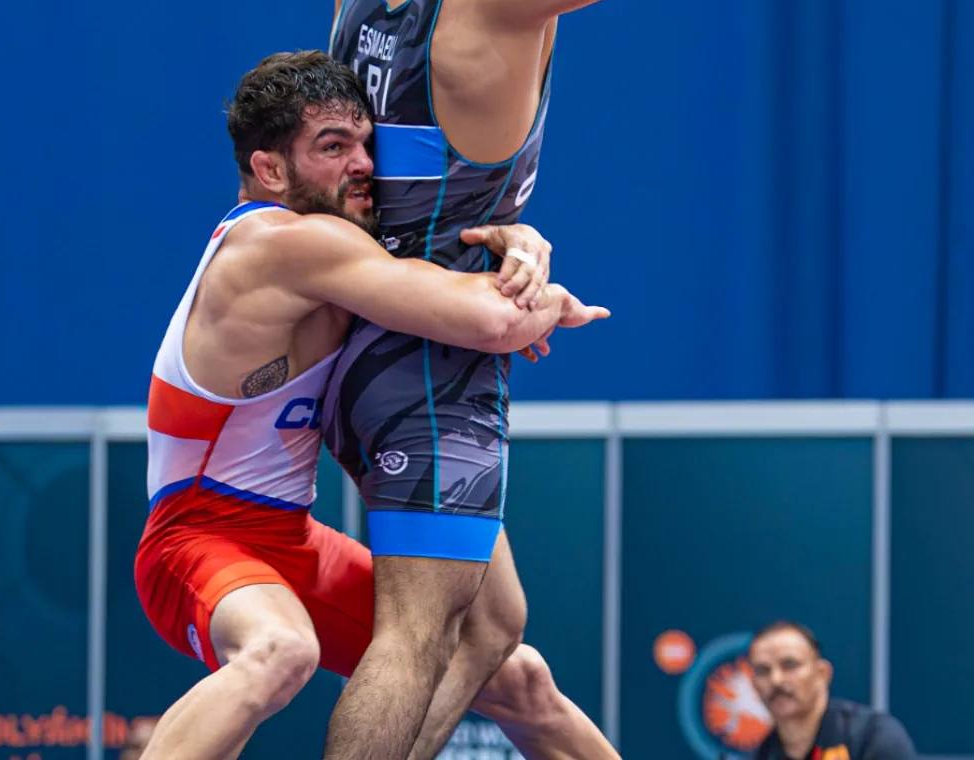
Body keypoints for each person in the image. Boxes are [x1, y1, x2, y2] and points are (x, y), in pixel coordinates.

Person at [319, 0, 701, 760]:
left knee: (493, 626)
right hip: (432, 359)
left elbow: (393, 178)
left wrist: (513, 241)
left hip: (373, 341)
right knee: (414, 631)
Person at [134, 51, 617, 759]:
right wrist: (548, 298)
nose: (364, 165)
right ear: (270, 170)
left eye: (368, 144)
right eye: (333, 147)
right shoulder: (279, 242)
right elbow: (490, 321)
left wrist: (517, 240)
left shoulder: (344, 241)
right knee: (281, 648)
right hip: (196, 539)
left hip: (289, 541)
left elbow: (453, 255)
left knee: (520, 679)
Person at [746, 622, 917, 760]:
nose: (776, 680)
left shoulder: (874, 738)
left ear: (823, 674)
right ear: (754, 685)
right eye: (763, 671)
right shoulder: (761, 753)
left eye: (790, 665)